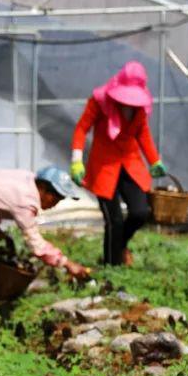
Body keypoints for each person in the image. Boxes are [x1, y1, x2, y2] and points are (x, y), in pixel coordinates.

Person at [0, 164, 90, 310]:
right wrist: (67, 263)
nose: (55, 204)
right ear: (42, 188)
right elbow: (37, 245)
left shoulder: (29, 180)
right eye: (55, 198)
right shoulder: (25, 201)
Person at [70, 61, 168, 267]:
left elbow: (143, 133)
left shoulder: (140, 108)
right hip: (104, 167)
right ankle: (111, 266)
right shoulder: (99, 102)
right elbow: (81, 129)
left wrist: (154, 160)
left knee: (140, 212)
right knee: (113, 220)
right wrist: (77, 161)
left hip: (130, 164)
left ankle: (119, 246)